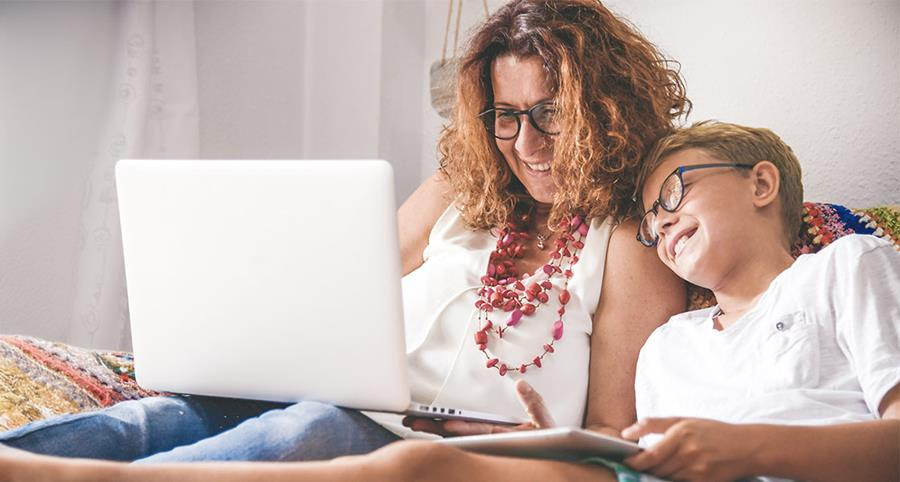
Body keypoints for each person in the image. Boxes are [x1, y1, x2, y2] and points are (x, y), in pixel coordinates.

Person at [0, 0, 687, 475]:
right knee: (152, 421)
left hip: (426, 444)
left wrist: (528, 445)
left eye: (549, 114)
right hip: (338, 394)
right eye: (506, 116)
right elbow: (334, 288)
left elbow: (608, 434)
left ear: (605, 109)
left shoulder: (628, 238)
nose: (525, 143)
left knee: (304, 434)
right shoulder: (460, 192)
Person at [615, 121, 899, 481]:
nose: (662, 225)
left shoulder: (846, 266)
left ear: (761, 185)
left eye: (674, 191)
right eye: (651, 222)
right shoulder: (665, 348)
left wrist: (749, 449)